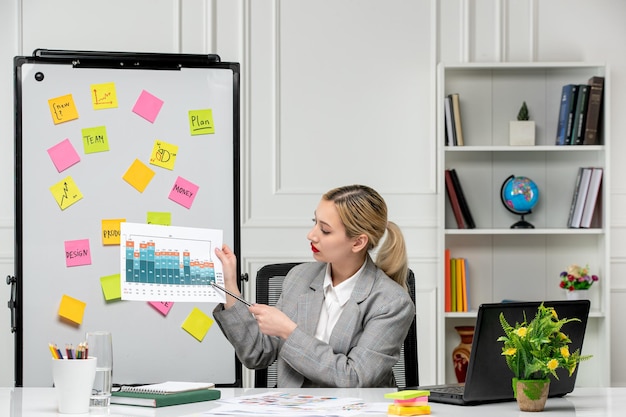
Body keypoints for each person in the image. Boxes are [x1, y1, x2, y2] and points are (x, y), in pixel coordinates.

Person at [213, 184, 415, 388]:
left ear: (358, 243)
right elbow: (257, 354)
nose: (311, 235)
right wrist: (229, 285)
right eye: (315, 222)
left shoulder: (392, 302)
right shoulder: (299, 277)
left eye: (325, 230)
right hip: (291, 408)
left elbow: (354, 378)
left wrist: (289, 332)